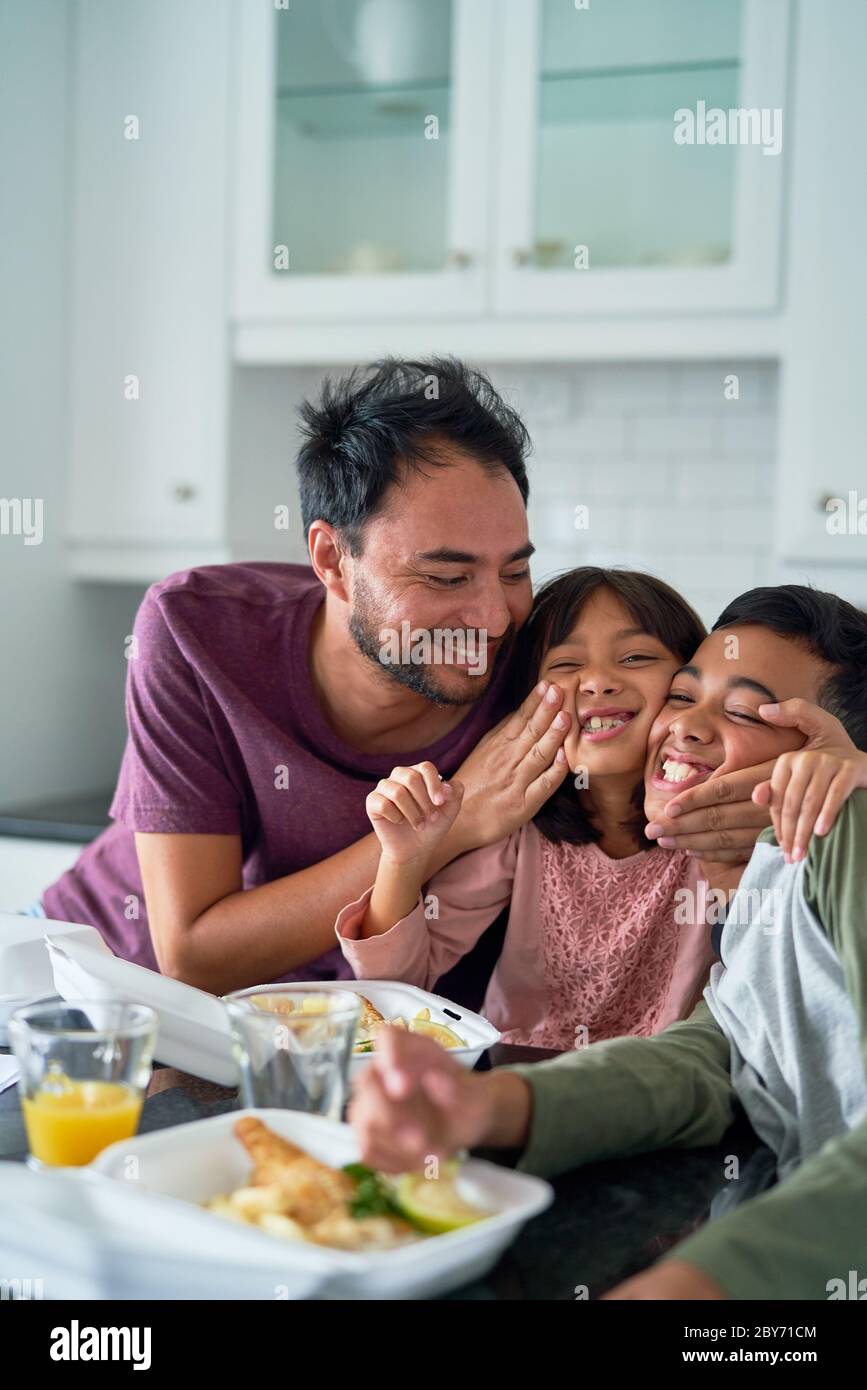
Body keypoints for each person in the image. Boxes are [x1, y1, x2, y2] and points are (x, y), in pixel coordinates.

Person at [347, 584, 867, 1300]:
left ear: (832, 752)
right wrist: (487, 1108)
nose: (682, 728)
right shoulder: (749, 912)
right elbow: (701, 1064)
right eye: (683, 699)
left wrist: (697, 1285)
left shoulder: (847, 832)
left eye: (746, 710)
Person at [334, 568, 719, 1048]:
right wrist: (403, 860)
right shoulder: (522, 829)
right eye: (565, 665)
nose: (598, 682)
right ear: (525, 702)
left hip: (666, 1089)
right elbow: (398, 982)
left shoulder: (717, 826)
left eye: (636, 656)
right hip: (520, 1082)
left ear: (690, 687)